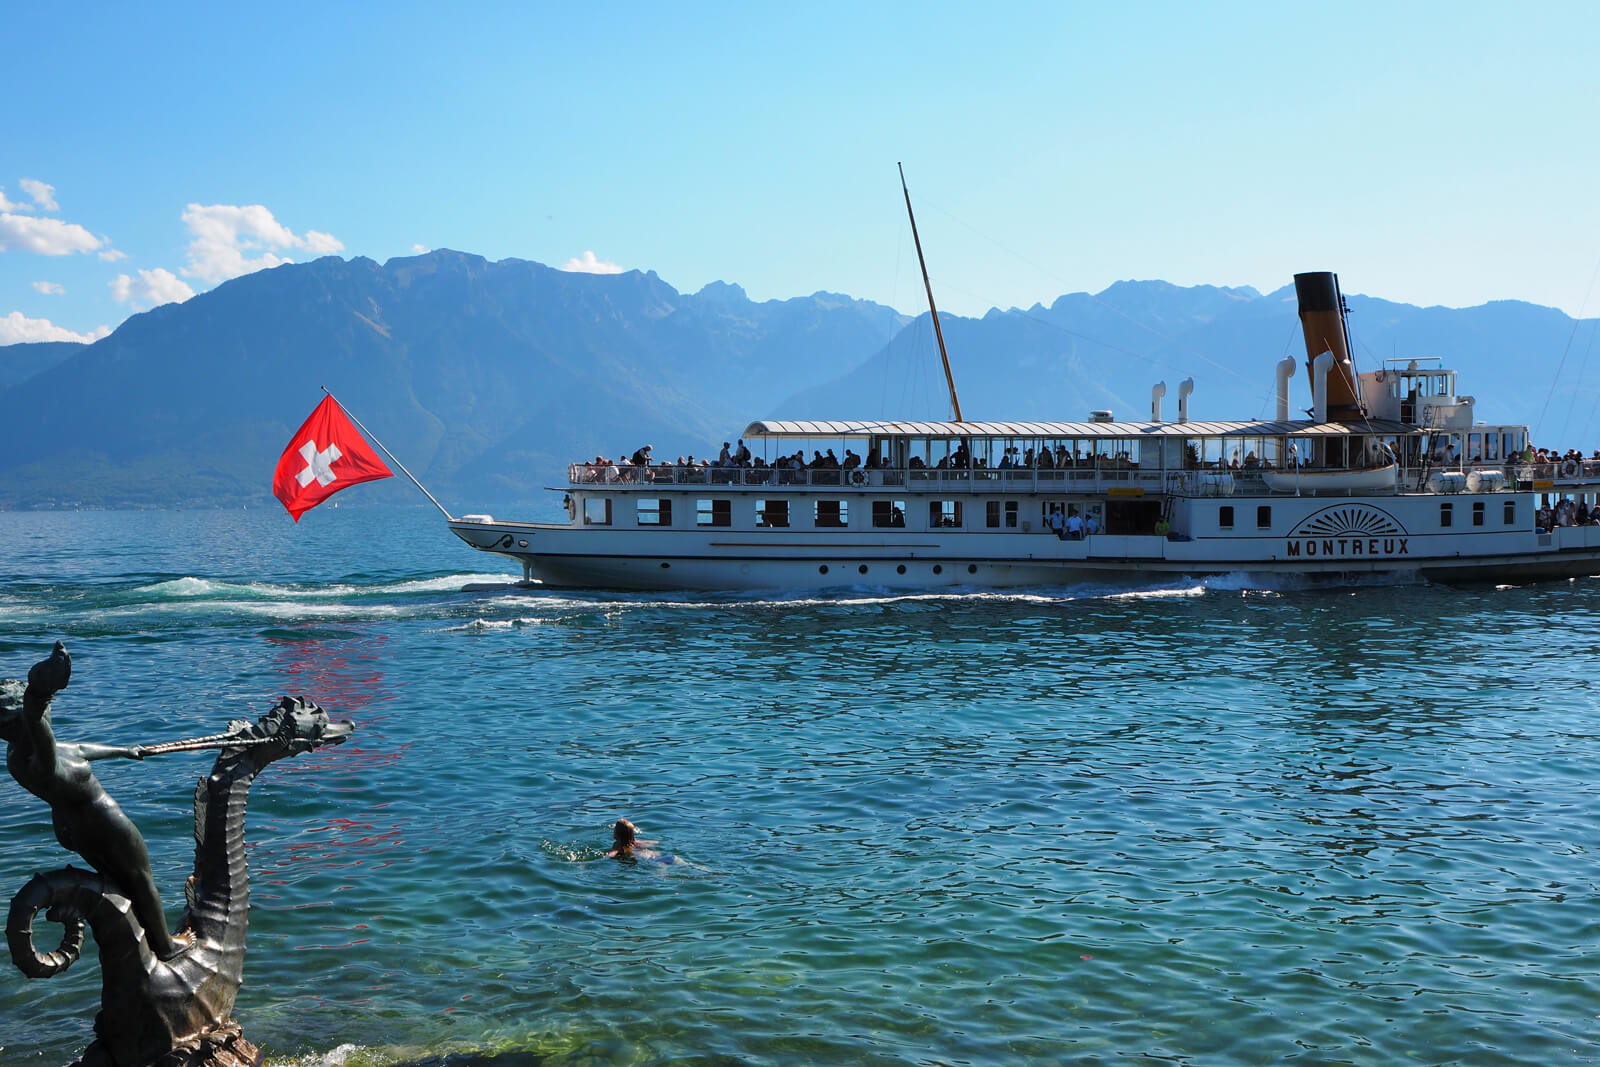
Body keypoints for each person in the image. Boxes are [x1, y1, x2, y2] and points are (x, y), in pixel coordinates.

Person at [1, 642, 186, 960]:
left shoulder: (18, 756)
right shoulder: (40, 759)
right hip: (102, 821)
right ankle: (166, 946)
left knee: (120, 881)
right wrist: (39, 692)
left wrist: (125, 750)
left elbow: (80, 748)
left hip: (72, 827)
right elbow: (38, 722)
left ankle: (141, 942)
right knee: (141, 879)